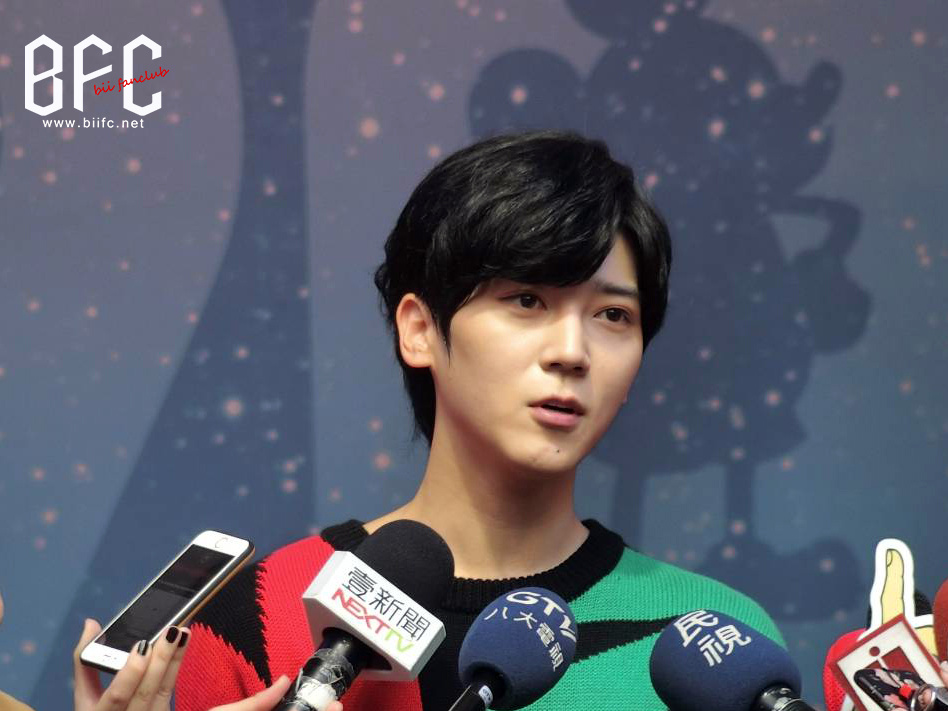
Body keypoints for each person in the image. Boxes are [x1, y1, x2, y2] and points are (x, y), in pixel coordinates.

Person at [172, 129, 775, 710]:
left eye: (613, 315)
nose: (572, 352)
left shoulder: (717, 653)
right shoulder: (260, 615)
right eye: (527, 300)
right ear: (419, 329)